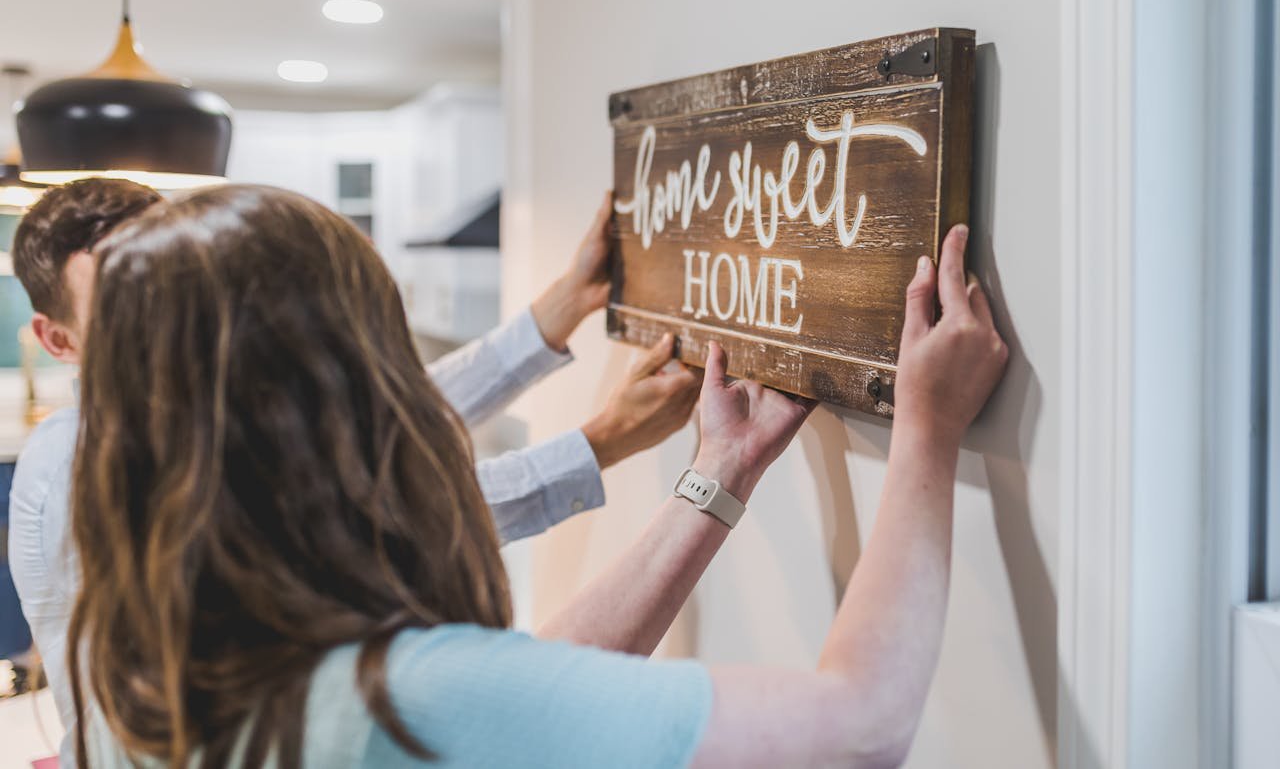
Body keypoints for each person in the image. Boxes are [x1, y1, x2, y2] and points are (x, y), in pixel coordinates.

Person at [71, 185, 1006, 767]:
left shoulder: (133, 660)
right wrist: (927, 425)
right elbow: (859, 727)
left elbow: (525, 697)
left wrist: (716, 476)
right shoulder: (398, 700)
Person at [6, 178, 698, 764]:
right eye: (138, 305)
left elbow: (369, 413)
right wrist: (600, 442)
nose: (192, 320)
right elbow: (358, 516)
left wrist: (565, 303)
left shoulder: (189, 410)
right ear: (57, 339)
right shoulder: (86, 461)